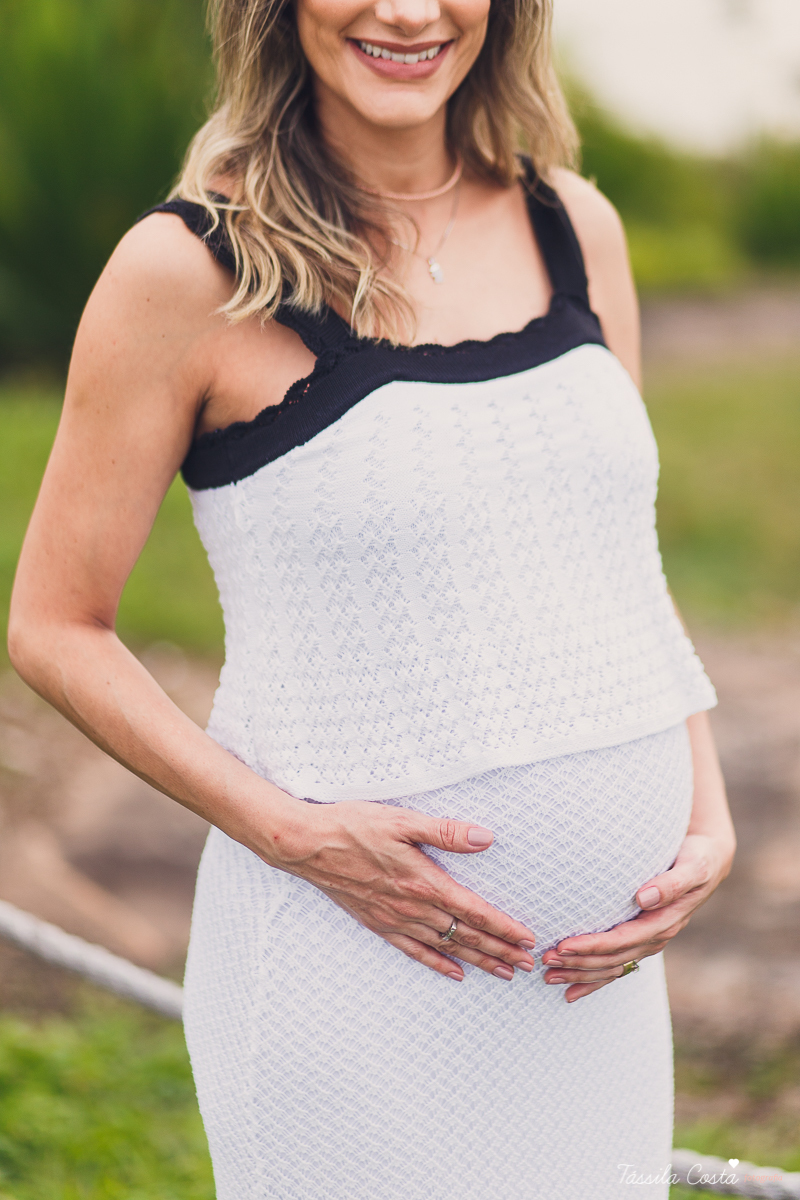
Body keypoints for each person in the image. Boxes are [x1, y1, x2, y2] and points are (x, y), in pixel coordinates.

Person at [8, 0, 736, 1195]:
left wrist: (702, 815)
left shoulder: (574, 224)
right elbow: (52, 627)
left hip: (591, 995)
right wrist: (292, 835)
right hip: (347, 977)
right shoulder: (186, 271)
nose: (405, 11)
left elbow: (613, 561)